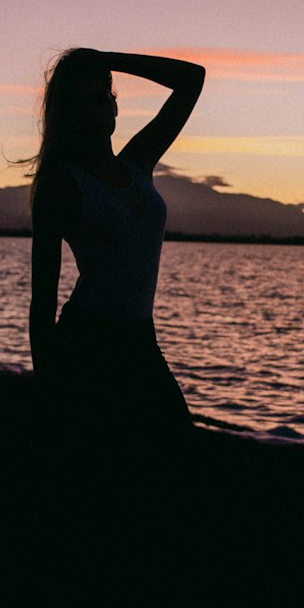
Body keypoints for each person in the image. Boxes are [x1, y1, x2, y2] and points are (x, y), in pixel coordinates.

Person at [27, 47, 205, 462]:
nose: (95, 110)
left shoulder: (139, 161)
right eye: (81, 102)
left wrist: (102, 58)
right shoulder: (61, 185)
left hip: (141, 340)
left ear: (114, 106)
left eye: (101, 97)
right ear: (67, 115)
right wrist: (47, 389)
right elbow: (42, 300)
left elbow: (192, 79)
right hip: (88, 345)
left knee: (176, 456)